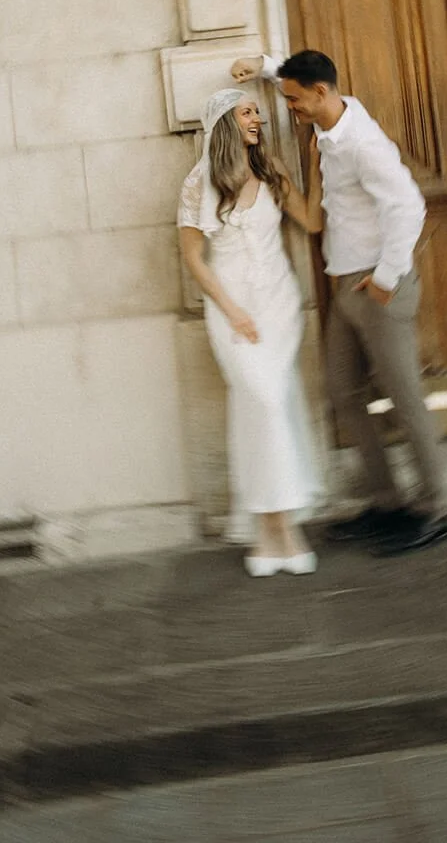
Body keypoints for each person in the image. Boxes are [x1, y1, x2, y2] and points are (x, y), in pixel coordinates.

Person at [231, 51, 447, 557]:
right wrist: (267, 66)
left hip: (378, 287)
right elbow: (303, 72)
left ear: (321, 94)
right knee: (342, 393)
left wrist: (386, 277)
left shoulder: (362, 143)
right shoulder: (331, 120)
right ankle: (387, 501)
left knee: (405, 398)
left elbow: (408, 205)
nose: (290, 108)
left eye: (294, 99)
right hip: (344, 285)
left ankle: (435, 509)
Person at [178, 89, 324, 577]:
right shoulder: (199, 184)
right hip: (232, 308)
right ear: (223, 121)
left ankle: (275, 530)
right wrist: (231, 309)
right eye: (247, 112)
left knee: (271, 406)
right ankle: (279, 529)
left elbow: (313, 220)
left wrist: (315, 161)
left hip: (279, 305)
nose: (256, 119)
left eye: (256, 112)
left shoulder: (273, 172)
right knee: (261, 401)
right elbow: (194, 259)